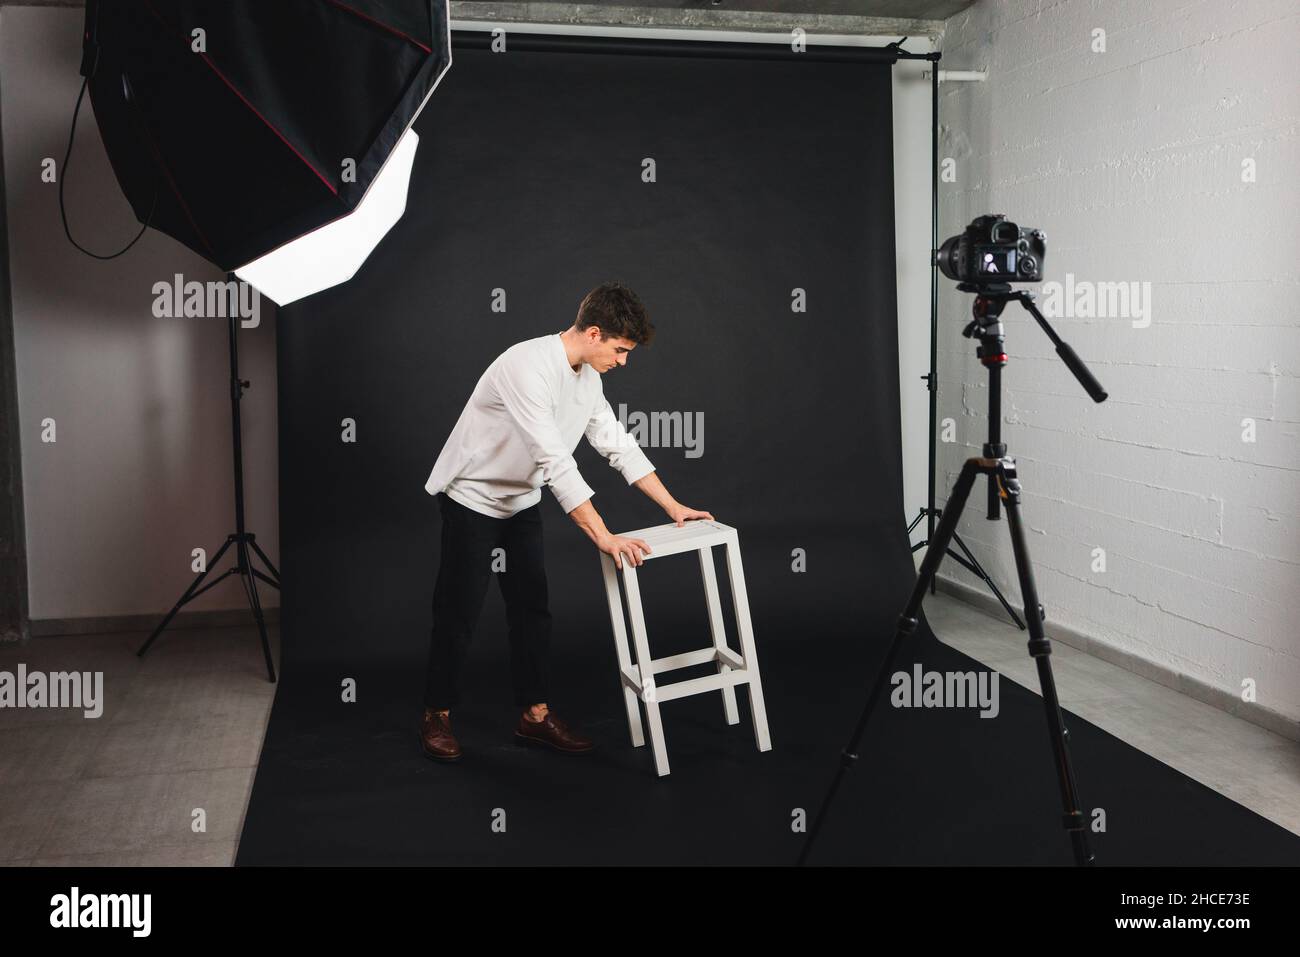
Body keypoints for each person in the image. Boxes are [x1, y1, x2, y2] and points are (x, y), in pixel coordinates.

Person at [419, 281, 713, 761]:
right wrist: (602, 535)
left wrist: (673, 505)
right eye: (620, 350)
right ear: (594, 333)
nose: (623, 361)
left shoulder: (588, 379)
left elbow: (618, 444)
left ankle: (533, 717)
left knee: (533, 610)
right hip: (472, 499)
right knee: (458, 613)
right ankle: (437, 714)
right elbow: (556, 462)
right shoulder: (525, 365)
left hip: (521, 503)